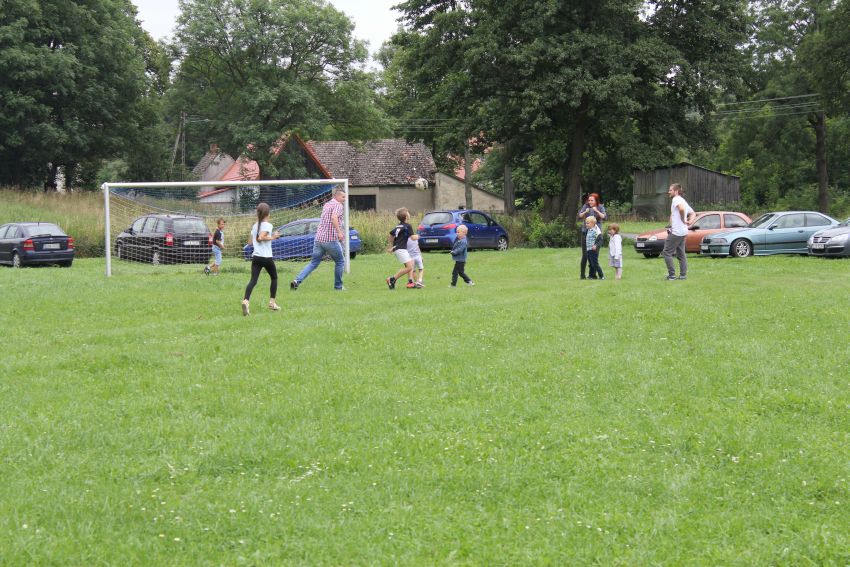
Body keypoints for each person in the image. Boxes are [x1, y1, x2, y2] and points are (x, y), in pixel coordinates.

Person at [291, 188, 347, 291]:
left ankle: (296, 281)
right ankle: (338, 287)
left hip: (319, 239)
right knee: (340, 261)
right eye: (343, 197)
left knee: (313, 263)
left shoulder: (327, 204)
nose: (345, 199)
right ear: (337, 196)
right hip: (330, 239)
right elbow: (334, 218)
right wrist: (339, 232)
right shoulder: (338, 205)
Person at [242, 203, 280, 315]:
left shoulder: (255, 226)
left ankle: (246, 301)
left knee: (253, 281)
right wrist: (273, 237)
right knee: (274, 277)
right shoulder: (268, 225)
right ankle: (272, 302)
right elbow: (261, 237)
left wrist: (259, 236)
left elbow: (250, 242)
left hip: (256, 257)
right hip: (266, 257)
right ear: (268, 214)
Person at [663, 183, 696, 281]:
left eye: (670, 190)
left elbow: (681, 209)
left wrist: (682, 219)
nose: (668, 192)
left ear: (676, 191)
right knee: (681, 254)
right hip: (683, 232)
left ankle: (672, 275)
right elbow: (693, 213)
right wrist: (689, 221)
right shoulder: (682, 200)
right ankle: (682, 276)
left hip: (676, 232)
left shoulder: (676, 199)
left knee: (666, 252)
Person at [577, 193, 607, 279]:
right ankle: (582, 275)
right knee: (585, 255)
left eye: (592, 200)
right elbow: (579, 215)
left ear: (596, 201)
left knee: (594, 256)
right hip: (585, 233)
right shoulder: (586, 206)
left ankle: (592, 275)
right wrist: (585, 212)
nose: (590, 202)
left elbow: (604, 217)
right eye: (589, 200)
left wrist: (596, 211)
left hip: (596, 234)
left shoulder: (600, 207)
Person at [386, 208, 415, 290]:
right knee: (409, 267)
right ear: (406, 217)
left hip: (399, 249)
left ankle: (410, 282)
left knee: (411, 263)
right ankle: (392, 279)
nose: (409, 214)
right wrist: (419, 236)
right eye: (408, 213)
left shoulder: (399, 226)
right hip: (401, 249)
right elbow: (413, 237)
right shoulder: (408, 226)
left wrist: (391, 246)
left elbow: (391, 235)